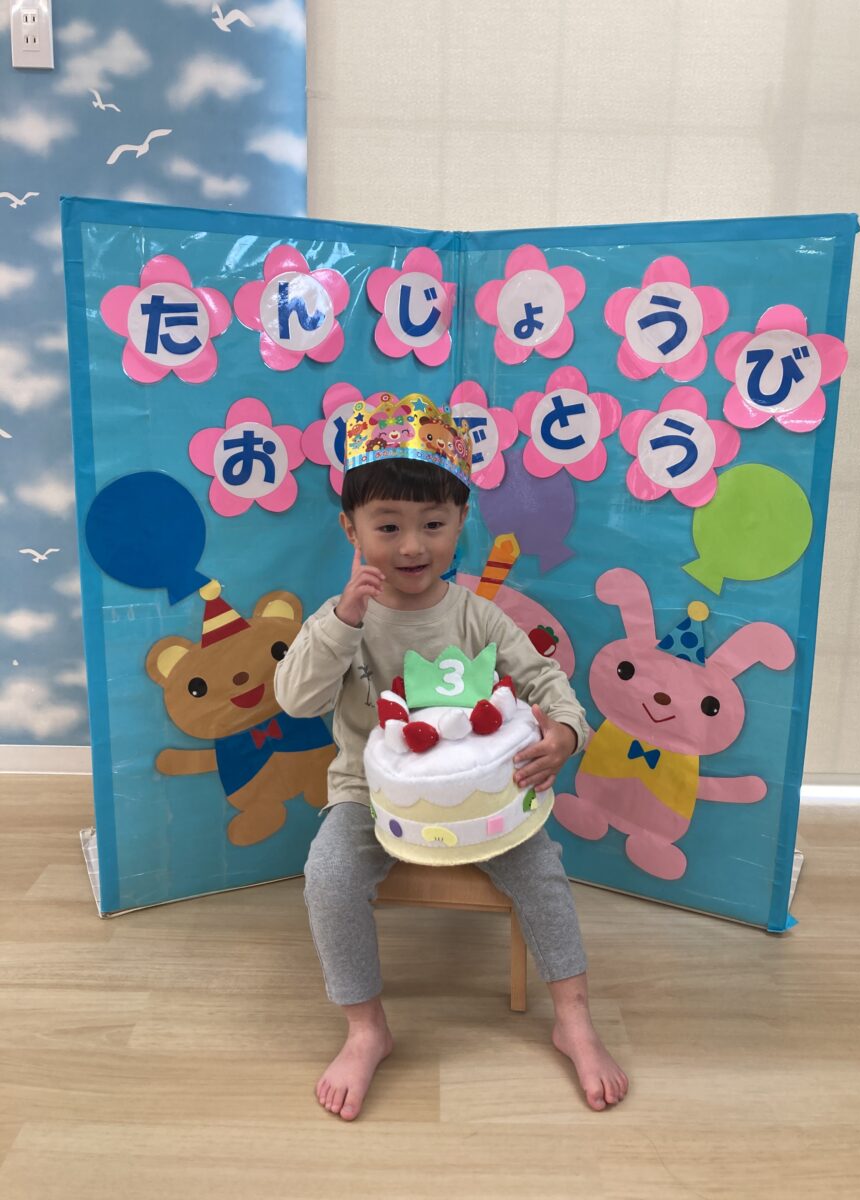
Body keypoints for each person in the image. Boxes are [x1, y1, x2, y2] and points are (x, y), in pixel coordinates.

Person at [274, 395, 628, 1122]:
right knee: (328, 876)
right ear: (350, 529)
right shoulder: (340, 621)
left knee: (543, 872)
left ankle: (574, 1018)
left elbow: (547, 683)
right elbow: (297, 701)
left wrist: (564, 734)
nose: (412, 546)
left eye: (433, 524)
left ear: (461, 522)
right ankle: (366, 1028)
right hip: (369, 796)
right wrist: (343, 620)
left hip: (486, 797)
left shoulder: (476, 615)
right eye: (387, 526)